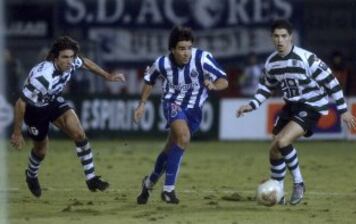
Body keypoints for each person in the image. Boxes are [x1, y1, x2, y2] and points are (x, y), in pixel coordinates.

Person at [236, 20, 356, 205]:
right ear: (272, 38)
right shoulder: (271, 62)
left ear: (290, 37)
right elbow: (266, 88)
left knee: (283, 141)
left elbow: (332, 82)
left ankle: (299, 183)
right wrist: (251, 105)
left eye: (284, 36)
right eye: (276, 36)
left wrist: (343, 110)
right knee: (274, 149)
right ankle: (279, 192)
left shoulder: (306, 59)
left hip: (311, 105)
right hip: (291, 106)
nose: (280, 40)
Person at [10, 36, 126, 197]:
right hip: (34, 109)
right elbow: (20, 103)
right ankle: (31, 175)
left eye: (71, 57)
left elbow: (85, 62)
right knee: (41, 150)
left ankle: (91, 178)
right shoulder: (43, 78)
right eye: (65, 57)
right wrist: (17, 133)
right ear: (54, 57)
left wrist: (108, 76)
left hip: (53, 101)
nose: (69, 61)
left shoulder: (71, 63)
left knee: (79, 133)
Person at [133, 26, 228, 204]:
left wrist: (215, 86)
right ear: (172, 49)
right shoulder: (162, 63)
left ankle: (148, 183)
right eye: (182, 49)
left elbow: (224, 79)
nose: (186, 53)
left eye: (188, 48)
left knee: (171, 147)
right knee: (183, 138)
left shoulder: (202, 58)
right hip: (172, 104)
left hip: (195, 110)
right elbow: (149, 81)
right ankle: (169, 190)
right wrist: (142, 105)